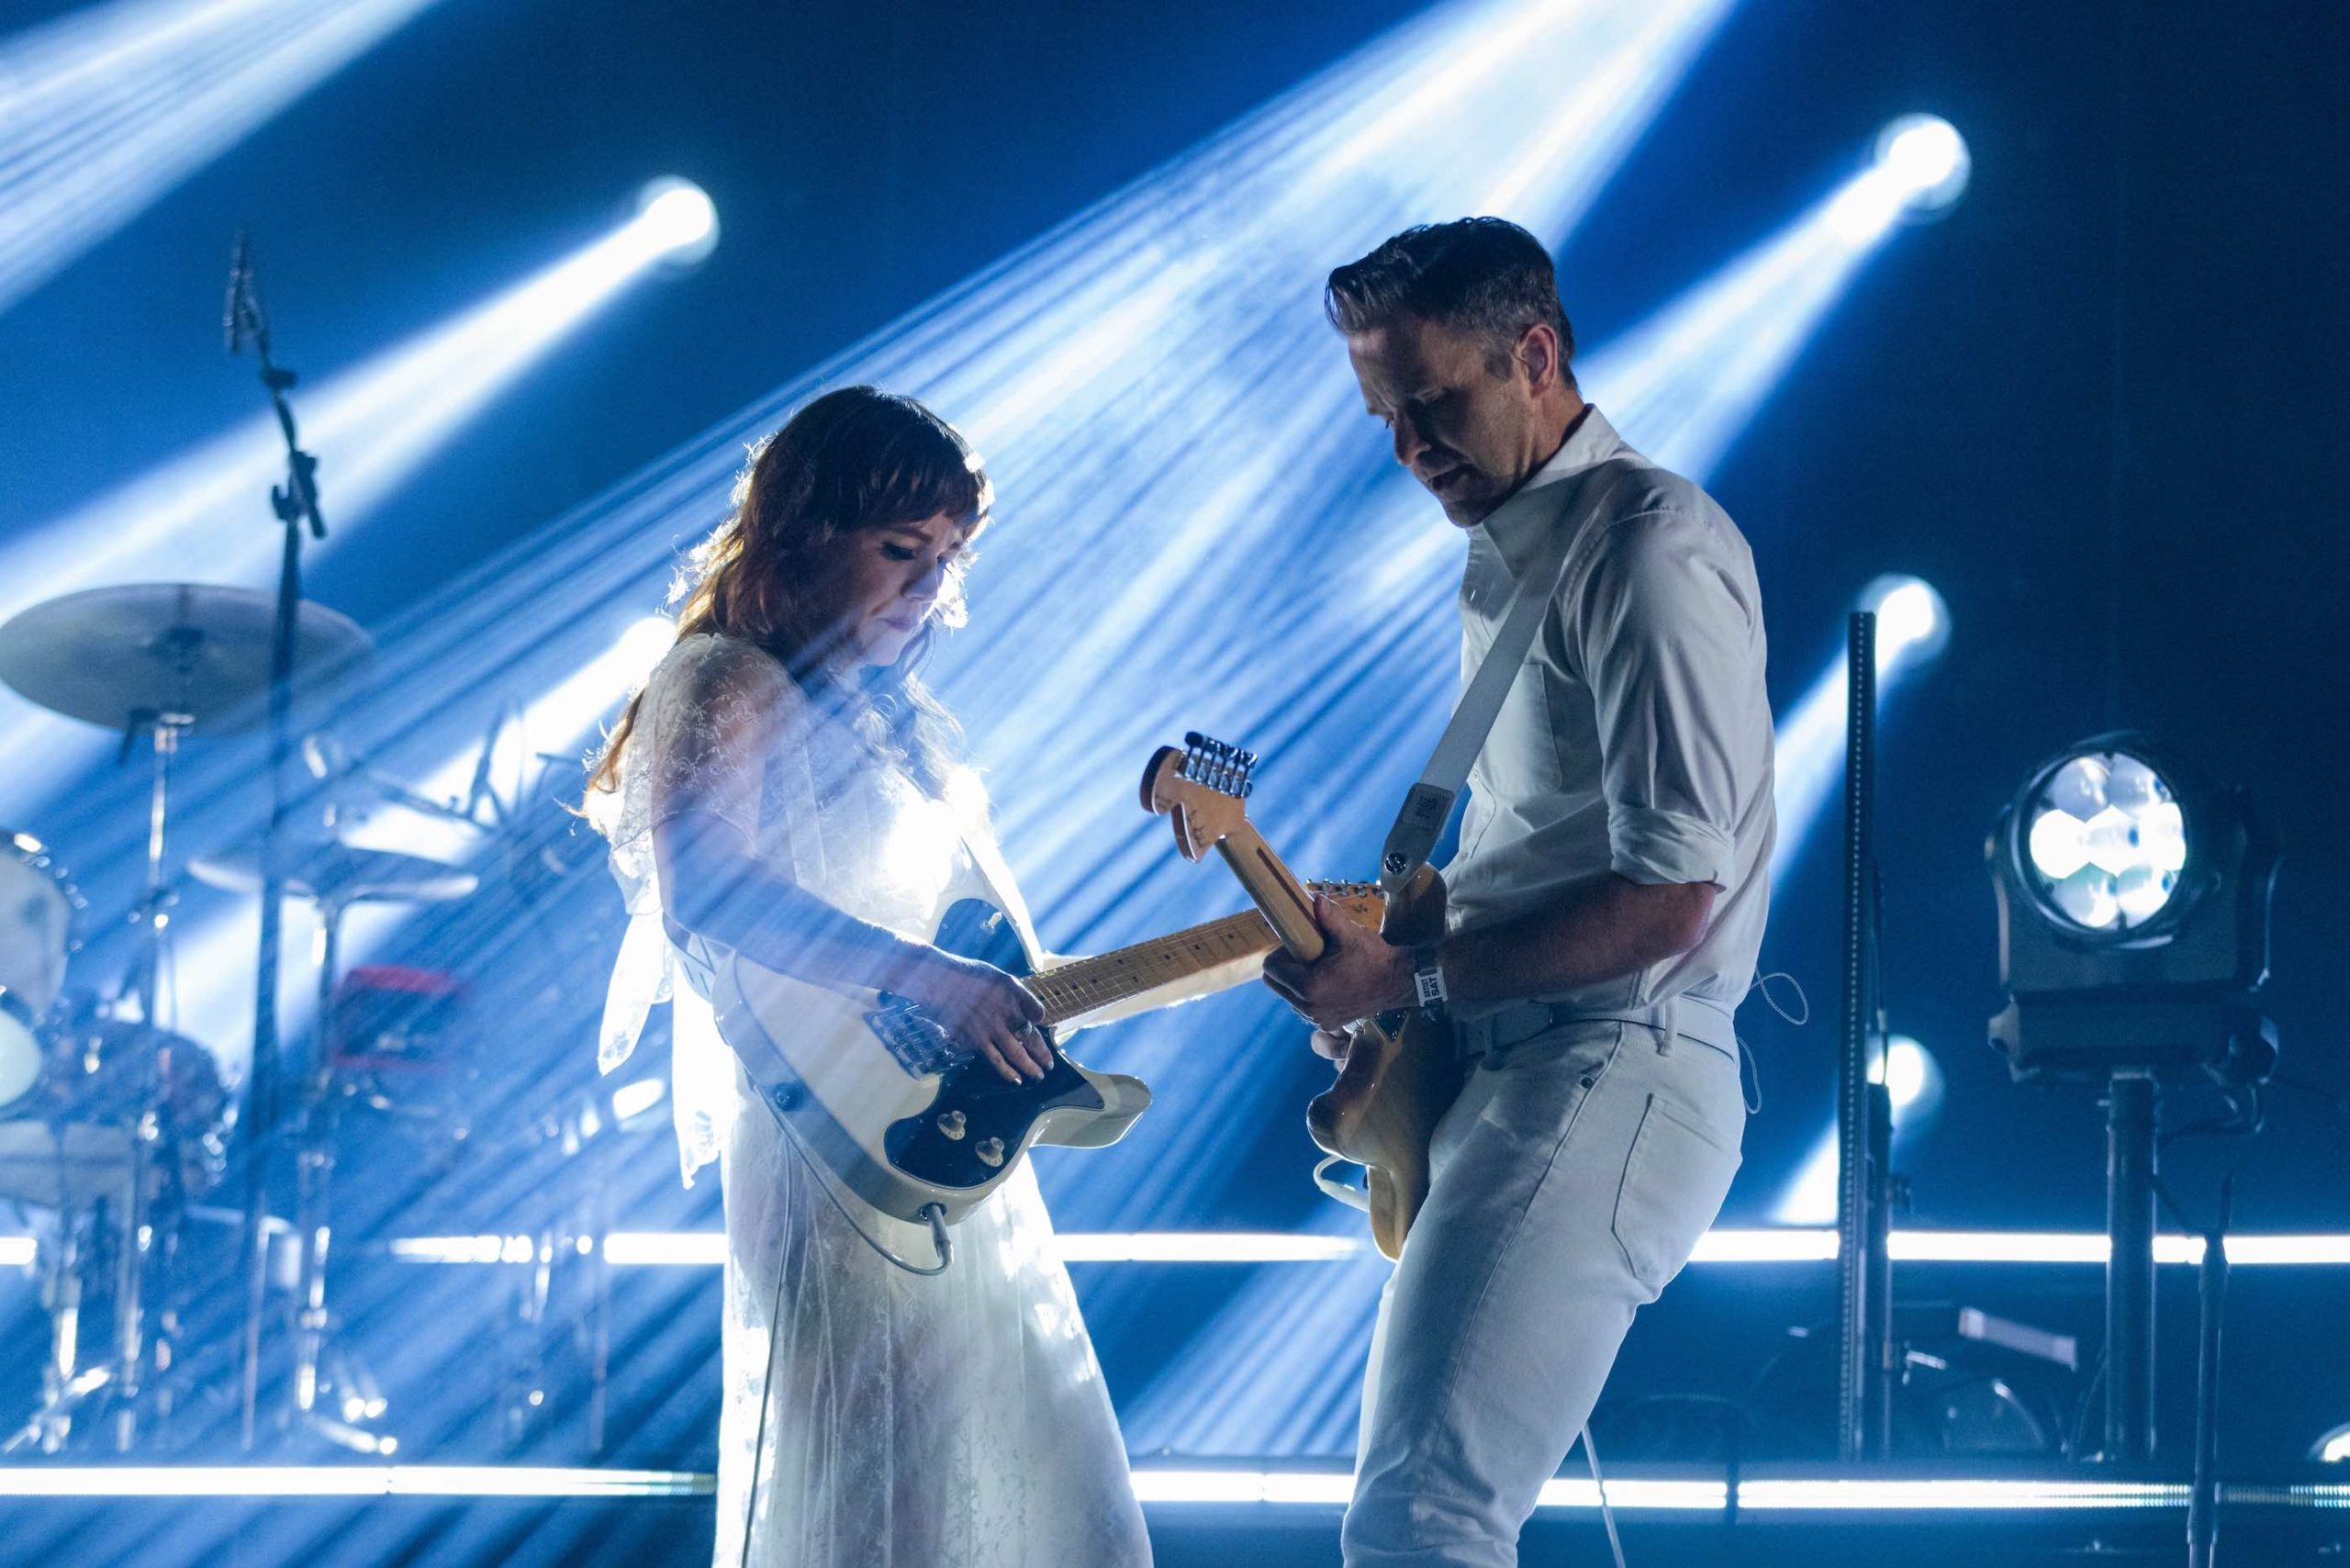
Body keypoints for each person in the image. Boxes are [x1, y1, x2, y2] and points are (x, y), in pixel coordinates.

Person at [1263, 218, 1775, 1567]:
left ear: (1535, 357)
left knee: (1423, 1520)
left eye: (1433, 404)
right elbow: (1536, 851)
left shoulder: (1645, 547)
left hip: (1610, 1062)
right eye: (1385, 416)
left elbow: (1673, 902)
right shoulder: (1519, 544)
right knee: (1422, 1517)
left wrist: (1406, 977)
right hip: (1531, 1065)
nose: (1407, 448)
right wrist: (1398, 974)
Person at [585, 386, 1151, 1568]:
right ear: (802, 532)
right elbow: (707, 888)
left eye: (948, 557)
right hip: (826, 1152)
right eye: (901, 549)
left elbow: (969, 953)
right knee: (887, 1499)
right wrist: (933, 979)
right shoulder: (724, 677)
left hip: (934, 1142)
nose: (930, 586)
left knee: (994, 1487)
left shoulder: (895, 722)